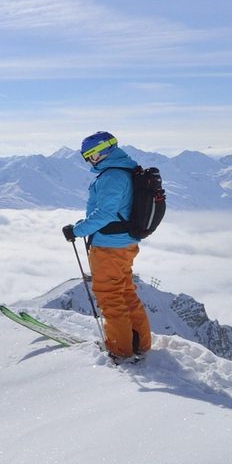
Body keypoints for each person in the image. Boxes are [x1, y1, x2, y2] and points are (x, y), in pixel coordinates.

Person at [64, 131, 153, 362]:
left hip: (109, 247)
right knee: (125, 292)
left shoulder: (112, 176)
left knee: (111, 297)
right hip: (125, 244)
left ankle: (120, 350)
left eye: (91, 156)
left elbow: (105, 213)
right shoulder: (126, 170)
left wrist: (77, 230)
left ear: (102, 151)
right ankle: (140, 343)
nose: (90, 162)